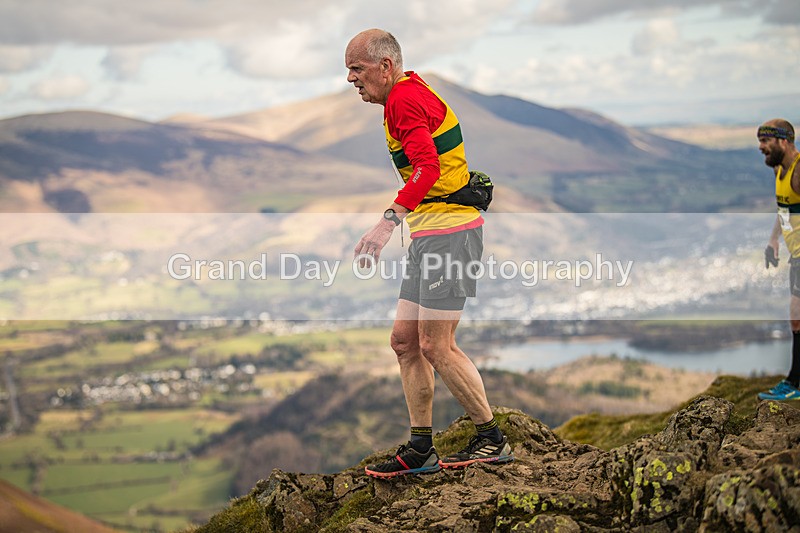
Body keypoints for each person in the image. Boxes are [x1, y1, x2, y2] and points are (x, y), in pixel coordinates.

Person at [344, 29, 513, 477]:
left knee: (436, 345)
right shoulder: (405, 95)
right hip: (431, 235)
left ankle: (492, 440)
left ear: (385, 66)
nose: (350, 79)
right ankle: (421, 449)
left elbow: (428, 167)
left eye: (357, 69)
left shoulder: (404, 99)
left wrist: (387, 222)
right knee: (405, 341)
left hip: (449, 235)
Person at [759, 118, 800, 401]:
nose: (761, 147)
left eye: (765, 141)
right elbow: (784, 209)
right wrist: (774, 240)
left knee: (796, 316)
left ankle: (795, 382)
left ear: (783, 141)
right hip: (795, 255)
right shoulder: (779, 170)